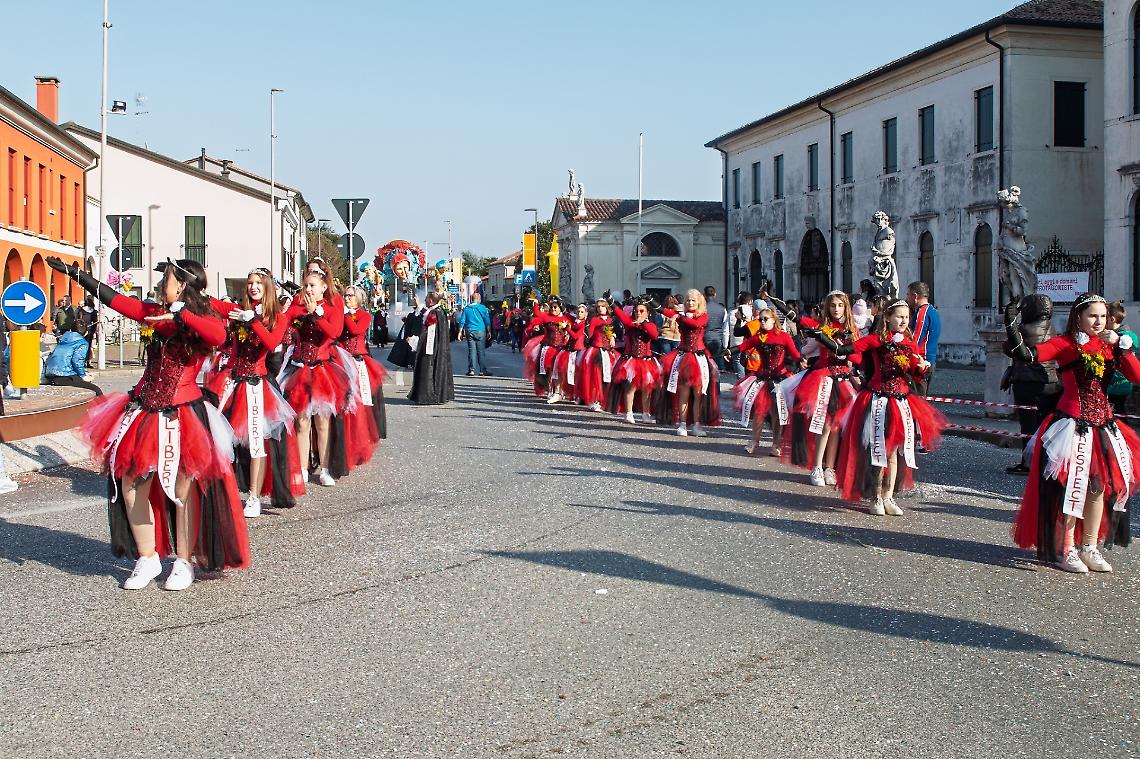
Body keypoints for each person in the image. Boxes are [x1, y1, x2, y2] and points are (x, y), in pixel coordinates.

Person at [46, 254, 250, 590]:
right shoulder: (154, 313)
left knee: (182, 490)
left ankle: (183, 561)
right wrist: (78, 276)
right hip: (143, 407)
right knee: (130, 483)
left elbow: (216, 335)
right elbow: (119, 301)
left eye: (166, 278)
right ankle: (147, 556)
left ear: (182, 285)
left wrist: (182, 312)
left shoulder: (203, 318)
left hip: (182, 413)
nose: (159, 284)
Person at [1006, 293, 1140, 573]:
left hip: (1103, 425)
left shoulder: (1109, 347)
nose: (1098, 321)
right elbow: (1030, 355)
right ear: (1078, 316)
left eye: (1103, 316)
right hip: (1072, 424)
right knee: (1072, 488)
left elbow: (1137, 376)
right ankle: (1067, 548)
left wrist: (1124, 349)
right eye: (1092, 315)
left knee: (1099, 488)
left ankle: (1089, 547)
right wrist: (1012, 325)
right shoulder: (1066, 344)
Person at [820, 300, 947, 514]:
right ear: (888, 317)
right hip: (877, 399)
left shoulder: (909, 343)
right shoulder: (875, 340)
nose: (904, 320)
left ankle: (889, 496)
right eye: (899, 316)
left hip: (900, 400)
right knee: (877, 449)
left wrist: (922, 368)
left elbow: (914, 372)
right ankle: (876, 496)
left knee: (895, 451)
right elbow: (844, 349)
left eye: (907, 317)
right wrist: (821, 335)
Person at [211, 268, 304, 517]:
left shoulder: (277, 317)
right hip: (235, 381)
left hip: (257, 385)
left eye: (258, 283)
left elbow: (272, 343)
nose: (253, 287)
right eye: (250, 283)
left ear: (268, 288)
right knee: (221, 437)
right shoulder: (239, 313)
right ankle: (227, 491)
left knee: (255, 441)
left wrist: (252, 320)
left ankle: (253, 496)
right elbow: (219, 311)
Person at [769, 290, 861, 487]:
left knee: (837, 426)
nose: (836, 309)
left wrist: (848, 356)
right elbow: (800, 320)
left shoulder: (853, 330)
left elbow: (858, 357)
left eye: (840, 305)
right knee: (825, 423)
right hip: (824, 378)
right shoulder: (822, 326)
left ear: (846, 307)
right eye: (833, 305)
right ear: (827, 307)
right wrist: (778, 303)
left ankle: (830, 467)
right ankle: (817, 466)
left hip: (843, 380)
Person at [278, 269, 352, 488]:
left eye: (312, 285)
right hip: (300, 368)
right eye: (306, 285)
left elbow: (335, 332)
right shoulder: (297, 308)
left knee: (322, 421)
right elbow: (282, 326)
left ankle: (326, 468)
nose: (308, 289)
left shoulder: (331, 307)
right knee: (301, 421)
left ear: (323, 287)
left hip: (322, 369)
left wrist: (316, 314)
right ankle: (302, 468)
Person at [727, 308, 800, 456]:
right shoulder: (758, 337)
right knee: (759, 411)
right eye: (760, 319)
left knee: (777, 412)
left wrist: (804, 361)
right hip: (763, 377)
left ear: (774, 320)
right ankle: (755, 441)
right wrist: (728, 351)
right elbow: (742, 347)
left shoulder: (784, 337)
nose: (762, 321)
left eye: (766, 319)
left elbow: (795, 355)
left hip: (780, 379)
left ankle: (776, 444)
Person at [1001, 295, 1060, 475]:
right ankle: (1045, 462)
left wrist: (1012, 321)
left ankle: (1028, 463)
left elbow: (1009, 348)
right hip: (1051, 382)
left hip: (1027, 382)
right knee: (1046, 425)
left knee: (1028, 426)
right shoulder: (1053, 329)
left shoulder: (1025, 329)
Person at [657, 289, 721, 436]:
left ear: (699, 302)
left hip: (698, 358)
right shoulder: (681, 315)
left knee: (699, 393)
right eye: (688, 300)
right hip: (683, 355)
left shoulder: (703, 316)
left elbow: (695, 324)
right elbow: (667, 312)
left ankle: (697, 424)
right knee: (683, 391)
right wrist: (654, 305)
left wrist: (678, 317)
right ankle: (683, 423)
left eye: (693, 300)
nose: (690, 302)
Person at [336, 285, 385, 471]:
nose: (347, 298)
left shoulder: (364, 315)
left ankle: (359, 446)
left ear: (359, 299)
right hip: (341, 361)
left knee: (360, 405)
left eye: (350, 296)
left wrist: (346, 314)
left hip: (357, 362)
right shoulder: (341, 314)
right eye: (345, 295)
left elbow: (356, 330)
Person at [608, 298, 661, 422]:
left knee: (647, 388)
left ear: (647, 312)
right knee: (630, 387)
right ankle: (629, 413)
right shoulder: (629, 323)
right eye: (637, 310)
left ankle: (645, 414)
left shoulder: (650, 325)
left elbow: (654, 335)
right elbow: (620, 314)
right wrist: (611, 302)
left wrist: (643, 323)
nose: (638, 313)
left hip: (646, 360)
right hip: (631, 359)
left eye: (642, 311)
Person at [409, 291, 455, 405]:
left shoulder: (435, 313)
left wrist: (417, 342)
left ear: (430, 300)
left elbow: (429, 332)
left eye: (426, 299)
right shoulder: (438, 311)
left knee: (428, 370)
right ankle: (436, 395)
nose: (424, 301)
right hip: (436, 347)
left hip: (431, 348)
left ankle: (428, 395)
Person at [523, 298, 573, 403]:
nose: (553, 309)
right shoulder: (547, 317)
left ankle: (559, 391)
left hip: (561, 348)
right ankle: (551, 390)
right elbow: (537, 314)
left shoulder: (566, 318)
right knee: (548, 370)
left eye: (555, 307)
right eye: (552, 307)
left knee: (561, 371)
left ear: (560, 308)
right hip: (549, 347)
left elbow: (577, 324)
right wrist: (535, 303)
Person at [576, 298, 619, 412]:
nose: (600, 308)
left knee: (607, 375)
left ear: (607, 307)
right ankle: (594, 400)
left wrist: (613, 337)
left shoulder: (611, 319)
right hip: (596, 349)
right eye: (598, 306)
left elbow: (616, 331)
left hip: (608, 350)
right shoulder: (594, 319)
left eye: (602, 306)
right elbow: (589, 334)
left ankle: (603, 400)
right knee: (596, 376)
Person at [43, 317, 103, 396]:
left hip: (51, 374)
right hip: (65, 375)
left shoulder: (63, 339)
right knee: (96, 390)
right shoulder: (82, 342)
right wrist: (83, 376)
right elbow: (77, 361)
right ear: (85, 332)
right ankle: (102, 407)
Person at [907, 282, 939, 397]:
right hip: (929, 360)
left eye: (908, 295)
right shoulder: (933, 311)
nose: (907, 298)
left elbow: (915, 340)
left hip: (921, 361)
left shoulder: (922, 313)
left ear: (915, 296)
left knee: (916, 402)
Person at [1106, 301, 1137, 415]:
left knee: (1117, 416)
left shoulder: (1125, 336)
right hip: (1118, 384)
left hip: (1118, 385)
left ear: (1112, 319)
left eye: (1104, 316)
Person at [457, 292, 493, 377]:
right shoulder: (482, 308)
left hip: (470, 331)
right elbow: (487, 321)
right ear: (479, 299)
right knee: (481, 351)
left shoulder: (466, 309)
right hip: (481, 331)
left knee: (471, 351)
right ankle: (482, 370)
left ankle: (471, 370)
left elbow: (462, 321)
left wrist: (459, 332)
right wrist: (489, 331)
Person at [728, 292, 754, 378]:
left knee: (738, 363)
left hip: (736, 344)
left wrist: (725, 346)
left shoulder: (732, 313)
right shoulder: (753, 312)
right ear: (750, 301)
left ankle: (741, 383)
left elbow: (725, 330)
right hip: (750, 344)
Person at [703, 285, 729, 370]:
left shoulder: (702, 308)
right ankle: (716, 382)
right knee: (716, 364)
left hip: (704, 337)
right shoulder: (722, 308)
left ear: (704, 295)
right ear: (715, 294)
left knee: (704, 364)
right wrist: (725, 345)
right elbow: (725, 327)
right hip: (718, 338)